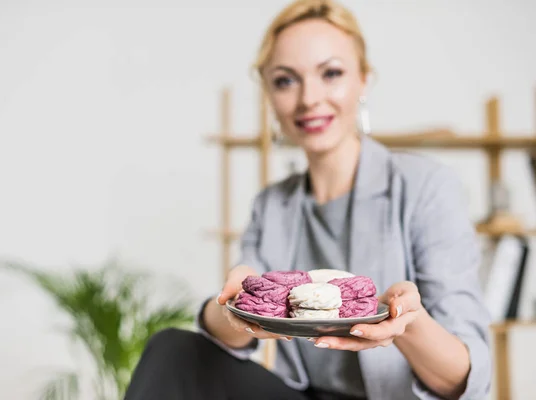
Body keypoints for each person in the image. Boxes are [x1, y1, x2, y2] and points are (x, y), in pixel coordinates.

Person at [123, 0, 492, 399]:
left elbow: (466, 381)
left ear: (364, 80)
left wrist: (405, 321)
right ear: (269, 94)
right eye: (286, 80)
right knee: (173, 349)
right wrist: (232, 301)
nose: (309, 99)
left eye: (330, 73)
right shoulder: (273, 205)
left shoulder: (426, 187)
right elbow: (230, 337)